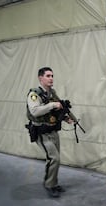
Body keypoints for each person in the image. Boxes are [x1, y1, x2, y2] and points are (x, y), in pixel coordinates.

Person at [26, 67, 73, 198]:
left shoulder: (52, 93)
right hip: (41, 132)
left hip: (53, 131)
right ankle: (49, 185)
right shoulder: (34, 94)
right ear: (40, 78)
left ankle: (53, 183)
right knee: (54, 158)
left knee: (54, 160)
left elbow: (56, 111)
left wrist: (65, 118)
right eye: (48, 76)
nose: (51, 78)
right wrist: (53, 105)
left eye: (52, 75)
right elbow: (35, 111)